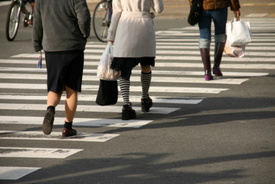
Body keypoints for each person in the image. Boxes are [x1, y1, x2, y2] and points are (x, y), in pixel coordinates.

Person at [33, 0, 91, 136]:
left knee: (55, 86)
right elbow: (84, 18)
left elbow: (37, 23)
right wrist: (84, 35)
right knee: (71, 89)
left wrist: (37, 43)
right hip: (73, 47)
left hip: (51, 48)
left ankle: (50, 109)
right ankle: (67, 127)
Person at [107, 0, 164, 120]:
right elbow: (159, 9)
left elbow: (116, 12)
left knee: (124, 69)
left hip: (125, 26)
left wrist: (111, 35)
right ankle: (144, 98)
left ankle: (126, 105)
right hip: (144, 25)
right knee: (145, 64)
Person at [190, 0, 241, 80]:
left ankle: (207, 72)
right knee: (220, 35)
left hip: (203, 6)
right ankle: (216, 67)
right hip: (220, 6)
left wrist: (193, 6)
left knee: (204, 38)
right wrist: (235, 8)